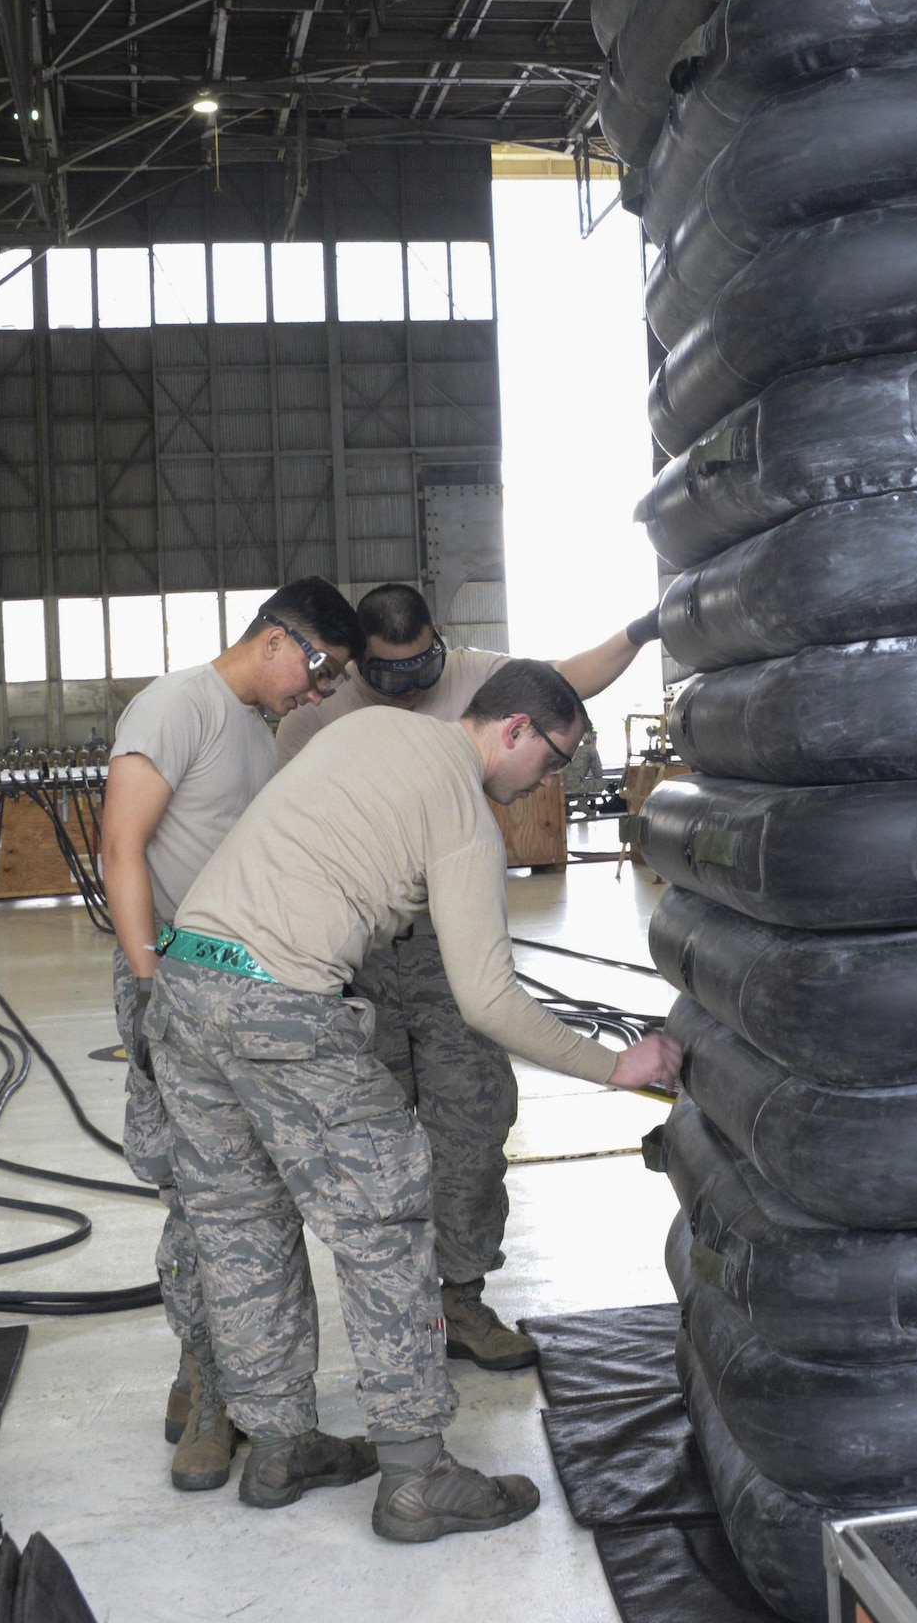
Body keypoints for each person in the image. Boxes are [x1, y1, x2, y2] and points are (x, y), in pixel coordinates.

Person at [146, 659, 682, 1538]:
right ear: (513, 729)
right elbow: (489, 1000)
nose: (548, 782)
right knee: (387, 1216)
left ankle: (281, 1448)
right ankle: (416, 1477)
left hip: (187, 987)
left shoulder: (365, 733)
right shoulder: (464, 809)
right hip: (280, 1004)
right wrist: (613, 1065)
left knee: (241, 1229)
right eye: (553, 761)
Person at [274, 582, 660, 1371]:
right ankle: (398, 1321)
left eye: (422, 665)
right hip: (358, 957)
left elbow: (569, 684)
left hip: (454, 941)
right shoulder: (314, 714)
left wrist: (645, 629)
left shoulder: (481, 686)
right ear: (357, 666)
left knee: (473, 1125)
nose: (408, 684)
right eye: (386, 673)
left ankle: (462, 1300)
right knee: (370, 1147)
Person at [100, 579, 365, 1491]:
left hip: (238, 998)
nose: (316, 692)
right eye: (318, 669)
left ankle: (244, 1386)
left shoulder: (255, 736)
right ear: (275, 637)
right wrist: (145, 989)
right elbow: (120, 848)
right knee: (196, 1196)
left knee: (245, 1198)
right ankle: (205, 1385)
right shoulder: (179, 704)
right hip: (170, 983)